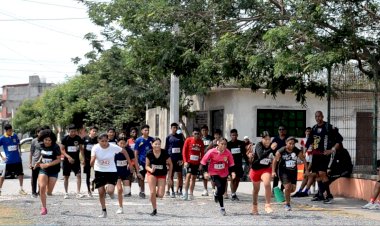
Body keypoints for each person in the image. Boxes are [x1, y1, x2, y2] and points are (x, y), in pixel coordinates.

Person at [90, 133, 135, 218]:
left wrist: (130, 164)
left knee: (110, 191)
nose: (104, 143)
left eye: (106, 141)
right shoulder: (95, 148)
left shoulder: (113, 147)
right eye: (102, 141)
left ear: (108, 140)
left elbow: (124, 151)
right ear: (98, 141)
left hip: (111, 170)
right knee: (100, 192)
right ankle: (104, 211)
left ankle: (109, 191)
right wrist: (93, 160)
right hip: (99, 170)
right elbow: (91, 162)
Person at [306, 111, 343, 203]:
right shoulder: (314, 128)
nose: (317, 118)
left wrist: (332, 150)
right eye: (316, 116)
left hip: (325, 155)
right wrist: (305, 151)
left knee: (322, 173)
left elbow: (339, 140)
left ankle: (329, 196)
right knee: (317, 175)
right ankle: (321, 195)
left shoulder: (329, 127)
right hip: (315, 155)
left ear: (322, 116)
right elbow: (309, 142)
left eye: (319, 116)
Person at [272, 137, 308, 211]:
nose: (292, 145)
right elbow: (275, 160)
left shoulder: (296, 150)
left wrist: (306, 171)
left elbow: (304, 159)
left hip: (293, 172)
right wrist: (273, 171)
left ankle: (285, 192)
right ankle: (287, 205)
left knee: (293, 189)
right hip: (283, 171)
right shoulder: (281, 150)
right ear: (286, 143)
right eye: (290, 144)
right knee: (288, 187)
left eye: (293, 144)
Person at [201, 138, 235, 216]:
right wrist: (205, 172)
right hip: (214, 172)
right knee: (219, 187)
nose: (223, 146)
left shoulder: (228, 152)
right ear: (218, 143)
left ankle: (216, 194)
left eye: (225, 144)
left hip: (224, 173)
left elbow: (231, 164)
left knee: (222, 191)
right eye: (222, 144)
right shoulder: (211, 151)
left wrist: (232, 172)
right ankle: (222, 208)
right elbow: (203, 162)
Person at [247, 131, 276, 215]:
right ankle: (254, 207)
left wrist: (274, 170)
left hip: (265, 169)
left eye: (269, 139)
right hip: (255, 170)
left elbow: (275, 157)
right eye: (265, 139)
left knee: (267, 184)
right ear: (262, 139)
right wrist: (271, 149)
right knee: (256, 190)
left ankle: (267, 205)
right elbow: (261, 156)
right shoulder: (259, 145)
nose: (267, 141)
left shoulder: (272, 146)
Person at [35, 129, 61, 215]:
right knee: (42, 187)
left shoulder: (55, 147)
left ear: (52, 140)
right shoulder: (40, 145)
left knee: (49, 192)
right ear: (42, 139)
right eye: (46, 139)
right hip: (44, 169)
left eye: (49, 140)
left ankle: (48, 191)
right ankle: (44, 208)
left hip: (53, 170)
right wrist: (38, 162)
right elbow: (42, 155)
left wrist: (48, 164)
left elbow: (58, 160)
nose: (47, 142)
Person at [146, 138, 173, 216]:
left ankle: (154, 195)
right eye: (155, 144)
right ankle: (154, 209)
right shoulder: (149, 153)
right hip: (152, 174)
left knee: (160, 195)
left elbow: (171, 164)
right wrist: (151, 170)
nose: (157, 145)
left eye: (159, 144)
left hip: (162, 174)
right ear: (152, 145)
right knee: (152, 192)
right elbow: (146, 166)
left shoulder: (164, 153)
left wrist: (169, 177)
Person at [0, 124, 27, 196]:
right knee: (3, 175)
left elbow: (18, 144)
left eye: (11, 130)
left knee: (20, 174)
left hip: (17, 160)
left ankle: (21, 189)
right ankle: (0, 189)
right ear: (6, 131)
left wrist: (20, 153)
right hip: (8, 161)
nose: (11, 131)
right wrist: (2, 157)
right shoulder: (2, 138)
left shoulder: (15, 136)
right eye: (9, 131)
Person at [60, 124, 85, 199]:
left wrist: (83, 158)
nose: (73, 133)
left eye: (74, 131)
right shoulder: (65, 139)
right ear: (68, 131)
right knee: (66, 177)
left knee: (78, 175)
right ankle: (66, 193)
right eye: (71, 131)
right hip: (67, 161)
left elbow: (81, 149)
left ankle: (78, 192)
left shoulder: (78, 138)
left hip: (76, 161)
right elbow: (62, 149)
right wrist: (68, 157)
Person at [292, 127, 316, 197]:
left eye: (309, 131)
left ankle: (311, 189)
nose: (308, 133)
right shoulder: (304, 140)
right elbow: (302, 149)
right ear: (305, 132)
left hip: (313, 158)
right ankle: (301, 191)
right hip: (306, 158)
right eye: (307, 131)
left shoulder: (314, 140)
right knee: (305, 175)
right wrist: (302, 156)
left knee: (312, 174)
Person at [182, 128, 204, 200]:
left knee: (194, 178)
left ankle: (191, 193)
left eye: (198, 134)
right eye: (195, 134)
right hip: (189, 162)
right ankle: (185, 192)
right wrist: (185, 161)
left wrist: (201, 164)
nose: (197, 135)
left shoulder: (201, 142)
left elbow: (202, 153)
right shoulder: (188, 140)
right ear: (192, 134)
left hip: (196, 162)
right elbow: (184, 151)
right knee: (188, 176)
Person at [115, 136, 135, 213]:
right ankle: (120, 207)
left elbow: (133, 160)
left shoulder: (129, 151)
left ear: (127, 143)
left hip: (126, 171)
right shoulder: (114, 151)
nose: (122, 145)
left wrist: (131, 165)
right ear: (117, 143)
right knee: (120, 190)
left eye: (124, 143)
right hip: (117, 172)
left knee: (127, 191)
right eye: (121, 143)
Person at [227, 129, 248, 201]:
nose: (234, 136)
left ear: (237, 135)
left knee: (238, 179)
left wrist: (248, 162)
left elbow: (244, 154)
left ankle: (234, 193)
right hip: (231, 165)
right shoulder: (228, 144)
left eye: (235, 135)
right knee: (233, 179)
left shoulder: (241, 143)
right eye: (232, 135)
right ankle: (233, 194)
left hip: (239, 164)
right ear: (230, 136)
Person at [134, 125, 154, 199]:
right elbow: (136, 152)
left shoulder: (152, 139)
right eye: (145, 130)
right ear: (142, 131)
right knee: (141, 177)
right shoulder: (138, 140)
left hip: (150, 162)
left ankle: (153, 191)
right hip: (141, 161)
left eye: (148, 130)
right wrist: (136, 162)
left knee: (151, 177)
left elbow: (155, 149)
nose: (147, 131)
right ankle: (142, 191)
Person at [165, 123, 184, 198]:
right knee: (171, 175)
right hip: (171, 159)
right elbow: (166, 148)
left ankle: (180, 190)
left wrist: (182, 158)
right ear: (171, 128)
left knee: (180, 175)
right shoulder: (168, 137)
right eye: (173, 127)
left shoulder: (180, 137)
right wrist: (166, 159)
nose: (174, 129)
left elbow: (183, 148)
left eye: (176, 128)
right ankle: (171, 191)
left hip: (178, 159)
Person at [83, 126, 98, 197]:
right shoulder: (85, 139)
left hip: (95, 160)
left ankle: (94, 182)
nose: (94, 132)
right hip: (87, 159)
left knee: (98, 174)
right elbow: (82, 150)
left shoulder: (97, 140)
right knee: (88, 175)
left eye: (96, 131)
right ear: (90, 131)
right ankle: (89, 190)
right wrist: (83, 159)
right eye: (93, 131)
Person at [271, 125, 288, 192]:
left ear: (285, 131)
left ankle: (282, 189)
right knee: (276, 174)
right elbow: (272, 149)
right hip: (277, 159)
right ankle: (275, 189)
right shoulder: (275, 139)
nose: (281, 131)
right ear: (278, 131)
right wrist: (275, 155)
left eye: (282, 129)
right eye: (279, 129)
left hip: (286, 159)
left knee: (284, 175)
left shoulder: (287, 139)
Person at [29, 127, 44, 198]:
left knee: (42, 178)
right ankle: (33, 192)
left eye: (42, 133)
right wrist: (30, 163)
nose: (41, 134)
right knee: (34, 178)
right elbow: (31, 152)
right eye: (40, 133)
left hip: (43, 163)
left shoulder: (45, 141)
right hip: (35, 162)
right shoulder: (34, 141)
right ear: (37, 133)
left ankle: (40, 191)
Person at [200, 125, 213, 196]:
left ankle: (214, 189)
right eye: (203, 130)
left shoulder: (211, 138)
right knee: (204, 175)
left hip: (211, 159)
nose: (204, 132)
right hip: (203, 159)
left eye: (206, 130)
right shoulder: (200, 139)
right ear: (201, 131)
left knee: (212, 174)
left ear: (208, 131)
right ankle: (205, 189)